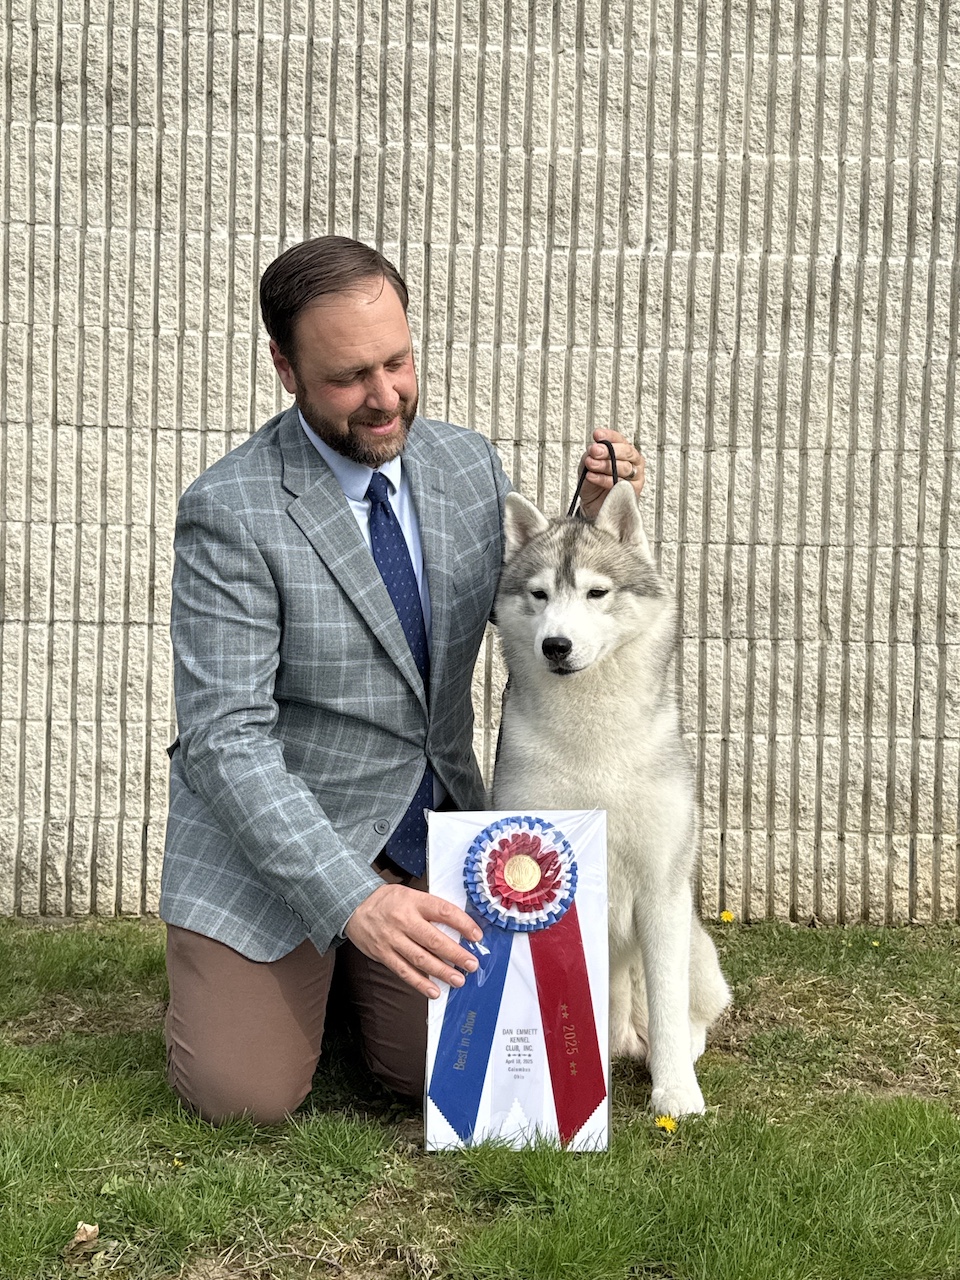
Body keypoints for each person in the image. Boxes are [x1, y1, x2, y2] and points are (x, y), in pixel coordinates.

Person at [160, 235, 646, 1124]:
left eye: (397, 361)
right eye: (350, 377)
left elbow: (529, 610)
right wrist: (355, 900)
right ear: (285, 368)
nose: (385, 397)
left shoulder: (467, 465)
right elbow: (225, 741)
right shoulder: (229, 511)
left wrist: (585, 525)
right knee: (245, 1095)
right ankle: (289, 960)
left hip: (423, 827)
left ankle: (349, 984)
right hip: (275, 838)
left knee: (470, 1067)